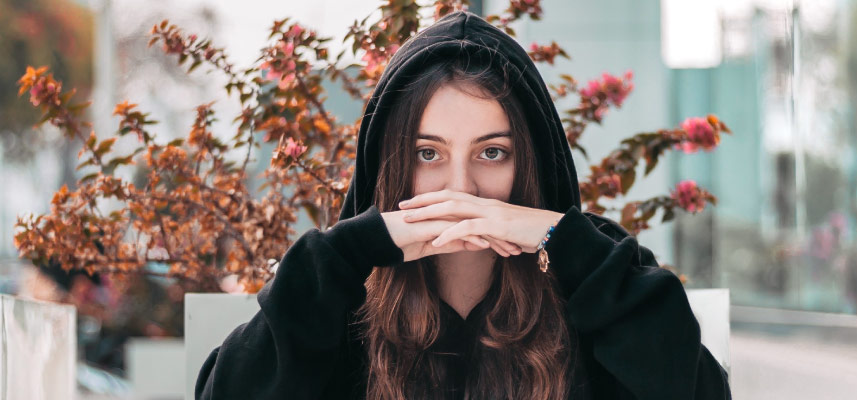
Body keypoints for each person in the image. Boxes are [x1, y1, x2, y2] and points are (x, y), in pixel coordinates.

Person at [195, 10, 730, 400]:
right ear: (393, 161)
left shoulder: (594, 291)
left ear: (532, 163)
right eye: (428, 153)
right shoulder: (338, 309)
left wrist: (565, 241)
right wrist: (350, 248)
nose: (461, 187)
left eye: (492, 152)